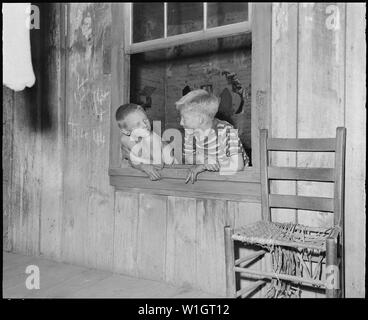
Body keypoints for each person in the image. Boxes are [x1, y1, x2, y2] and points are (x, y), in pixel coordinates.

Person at [175, 89, 249, 183]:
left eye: (184, 118)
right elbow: (188, 157)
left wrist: (204, 166)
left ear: (200, 119)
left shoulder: (225, 130)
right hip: (215, 176)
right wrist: (203, 159)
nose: (181, 123)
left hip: (240, 178)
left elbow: (238, 165)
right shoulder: (190, 132)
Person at [116, 103, 174, 181]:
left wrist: (140, 165)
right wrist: (142, 166)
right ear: (126, 131)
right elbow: (130, 160)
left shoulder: (152, 138)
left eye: (145, 120)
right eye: (138, 124)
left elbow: (158, 165)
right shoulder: (126, 140)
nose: (144, 125)